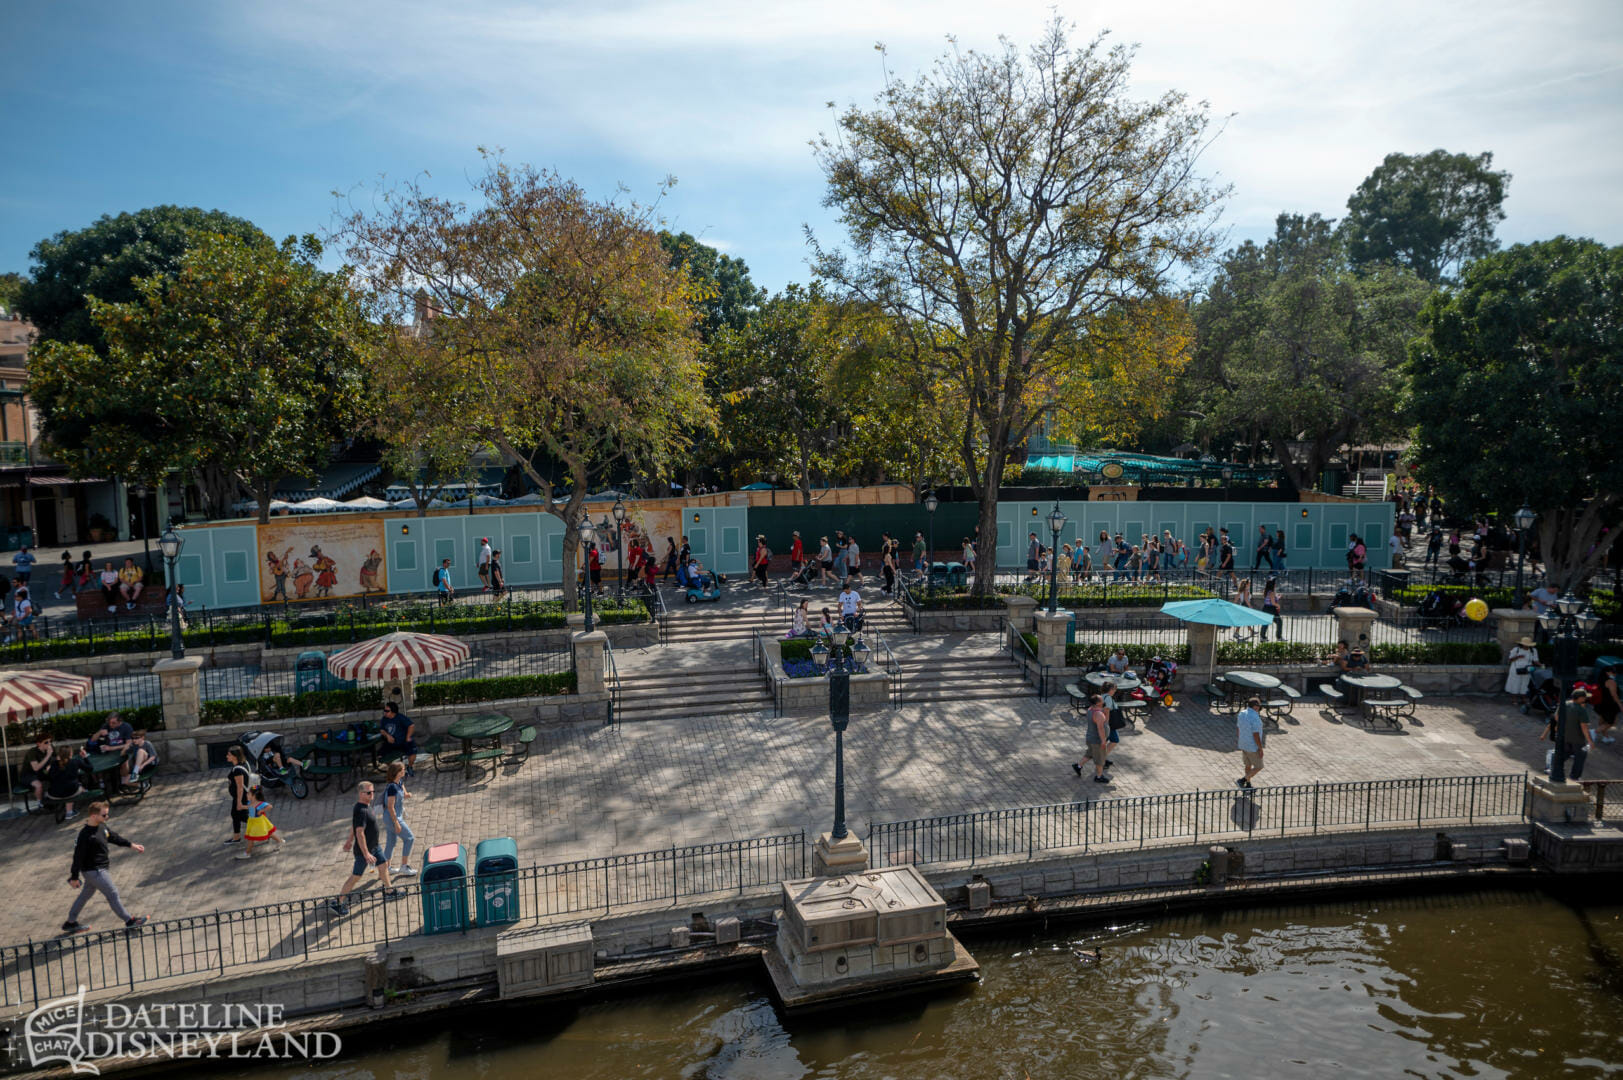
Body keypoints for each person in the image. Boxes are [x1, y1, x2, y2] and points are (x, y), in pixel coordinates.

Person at [62, 801, 147, 933]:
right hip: (95, 871)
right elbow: (77, 857)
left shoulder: (102, 826)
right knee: (112, 893)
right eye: (104, 815)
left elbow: (113, 837)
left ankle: (70, 922)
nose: (107, 817)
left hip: (98, 870)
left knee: (85, 895)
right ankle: (130, 921)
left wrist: (132, 845)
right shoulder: (85, 836)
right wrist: (74, 877)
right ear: (94, 816)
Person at [330, 781, 396, 915]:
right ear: (361, 794)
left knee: (383, 867)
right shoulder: (361, 811)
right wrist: (366, 854)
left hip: (375, 847)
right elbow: (359, 833)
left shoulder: (365, 806)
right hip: (364, 852)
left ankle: (389, 891)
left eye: (373, 792)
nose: (372, 794)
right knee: (356, 877)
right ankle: (337, 902)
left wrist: (349, 841)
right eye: (369, 792)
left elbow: (353, 826)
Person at [1543, 689, 1595, 780]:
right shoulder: (1581, 710)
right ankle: (1575, 777)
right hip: (1578, 739)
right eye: (1585, 697)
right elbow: (1584, 727)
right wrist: (1590, 741)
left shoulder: (1564, 704)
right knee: (1580, 756)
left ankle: (1552, 768)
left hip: (1564, 736)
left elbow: (1557, 717)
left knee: (1564, 753)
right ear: (1581, 698)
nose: (1586, 699)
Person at [381, 761, 416, 876]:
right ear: (397, 772)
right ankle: (404, 867)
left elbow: (403, 792)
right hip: (393, 817)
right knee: (409, 838)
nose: (404, 771)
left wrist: (407, 794)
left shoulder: (399, 782)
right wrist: (396, 823)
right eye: (402, 770)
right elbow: (390, 807)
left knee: (391, 842)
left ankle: (386, 868)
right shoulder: (392, 788)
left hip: (392, 817)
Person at [238, 784, 284, 860]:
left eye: (248, 793)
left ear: (254, 795)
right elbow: (249, 807)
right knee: (269, 833)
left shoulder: (260, 803)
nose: (246, 794)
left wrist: (262, 810)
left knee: (251, 838)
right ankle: (280, 841)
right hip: (252, 822)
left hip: (258, 823)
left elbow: (270, 806)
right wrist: (242, 807)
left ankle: (247, 853)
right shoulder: (250, 802)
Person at [1073, 692, 1111, 784]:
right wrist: (1103, 741)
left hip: (1090, 738)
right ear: (1098, 703)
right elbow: (1101, 728)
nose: (1103, 700)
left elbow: (1104, 722)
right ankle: (1099, 777)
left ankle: (1078, 766)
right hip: (1097, 741)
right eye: (1101, 699)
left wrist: (1106, 712)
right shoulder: (1098, 714)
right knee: (1100, 760)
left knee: (1090, 754)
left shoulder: (1090, 709)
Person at [43, 747, 89, 821]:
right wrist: (85, 757)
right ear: (71, 754)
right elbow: (90, 768)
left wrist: (49, 770)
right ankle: (70, 812)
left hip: (54, 795)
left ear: (59, 755)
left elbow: (48, 777)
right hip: (71, 792)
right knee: (76, 787)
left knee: (66, 787)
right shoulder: (75, 762)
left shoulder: (54, 764)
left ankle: (69, 812)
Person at [379, 701, 417, 777]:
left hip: (402, 741)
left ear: (393, 712)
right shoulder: (384, 719)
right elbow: (382, 730)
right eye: (384, 710)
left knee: (413, 750)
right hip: (391, 742)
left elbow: (411, 725)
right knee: (380, 756)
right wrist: (387, 736)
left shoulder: (400, 717)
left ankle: (409, 767)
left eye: (387, 711)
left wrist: (408, 736)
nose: (385, 712)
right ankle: (395, 770)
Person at [223, 746, 251, 845]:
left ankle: (266, 831)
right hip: (241, 796)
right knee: (236, 815)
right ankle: (236, 837)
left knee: (244, 817)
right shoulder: (244, 763)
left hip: (241, 797)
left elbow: (240, 787)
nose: (227, 756)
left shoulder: (237, 770)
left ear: (235, 756)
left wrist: (239, 802)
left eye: (229, 755)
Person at [1236, 697, 1266, 789]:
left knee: (1248, 765)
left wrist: (1241, 739)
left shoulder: (1241, 713)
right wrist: (1260, 748)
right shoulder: (1255, 718)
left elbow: (1238, 728)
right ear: (1256, 707)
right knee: (1259, 766)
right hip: (1252, 747)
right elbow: (1256, 735)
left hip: (1243, 744)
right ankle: (1242, 780)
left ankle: (1248, 784)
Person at [1505, 636, 1537, 709]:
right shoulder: (1516, 650)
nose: (1526, 646)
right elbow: (1510, 659)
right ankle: (1514, 699)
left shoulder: (1533, 651)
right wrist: (1518, 657)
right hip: (1516, 669)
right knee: (1515, 683)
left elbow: (1535, 660)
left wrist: (1541, 664)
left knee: (1525, 684)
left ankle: (1524, 698)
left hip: (1527, 669)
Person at [24, 731, 55, 806]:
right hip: (29, 774)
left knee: (59, 776)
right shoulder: (32, 752)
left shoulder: (51, 748)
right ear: (38, 744)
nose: (49, 743)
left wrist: (50, 765)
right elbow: (36, 768)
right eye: (46, 742)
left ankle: (52, 796)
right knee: (38, 785)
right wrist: (48, 755)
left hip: (43, 772)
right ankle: (39, 803)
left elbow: (56, 759)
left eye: (50, 741)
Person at [1593, 666, 1620, 744]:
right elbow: (1614, 695)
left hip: (1601, 704)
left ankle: (1605, 737)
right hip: (1610, 705)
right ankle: (1594, 732)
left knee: (1602, 720)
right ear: (1607, 673)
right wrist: (1620, 705)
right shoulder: (1611, 682)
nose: (1615, 674)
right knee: (1611, 722)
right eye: (1613, 672)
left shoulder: (1600, 680)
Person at [1260, 578, 1282, 642]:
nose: (1275, 585)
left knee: (1265, 623)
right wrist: (1278, 606)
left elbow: (1270, 600)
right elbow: (1273, 603)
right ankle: (1278, 637)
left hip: (1266, 608)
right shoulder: (1271, 592)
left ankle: (1262, 637)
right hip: (1271, 609)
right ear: (1273, 585)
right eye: (1275, 584)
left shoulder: (1267, 591)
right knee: (1279, 622)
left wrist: (1277, 597)